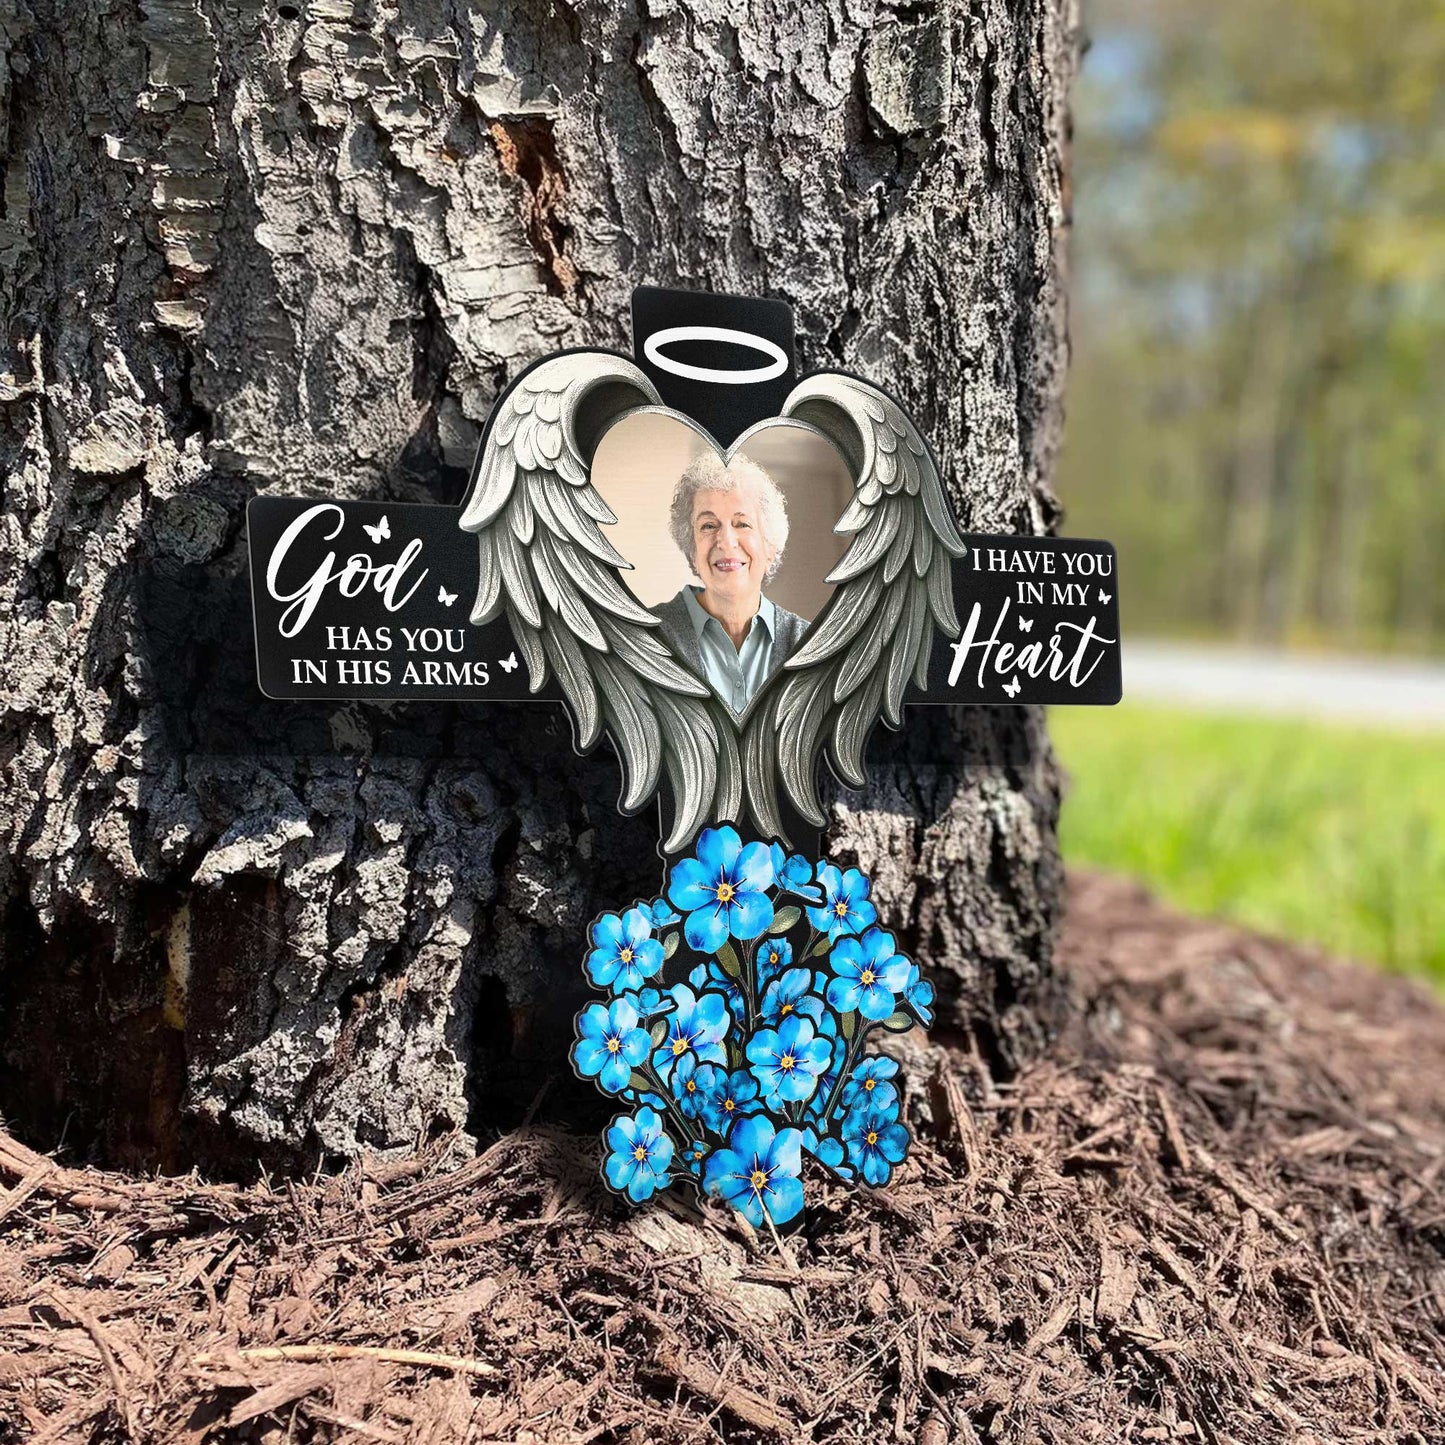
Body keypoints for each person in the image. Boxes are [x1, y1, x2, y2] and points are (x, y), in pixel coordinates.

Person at [653, 452, 808, 714]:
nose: (726, 541)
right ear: (692, 550)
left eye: (742, 524)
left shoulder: (810, 644)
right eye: (708, 525)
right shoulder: (646, 639)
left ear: (770, 548)